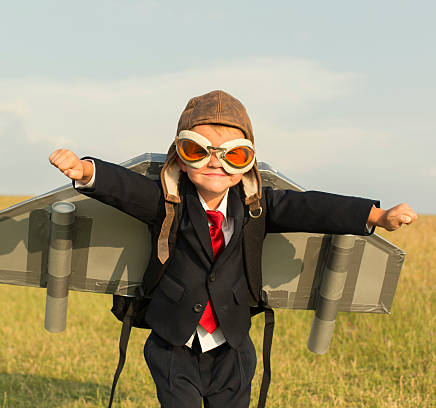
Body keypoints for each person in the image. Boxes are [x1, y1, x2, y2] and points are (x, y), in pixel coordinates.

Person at [48, 90, 417, 408]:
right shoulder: (168, 201)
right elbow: (126, 188)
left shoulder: (257, 206)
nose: (216, 163)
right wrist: (85, 170)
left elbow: (314, 208)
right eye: (198, 150)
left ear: (248, 162)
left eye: (234, 155)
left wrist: (377, 214)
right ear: (179, 156)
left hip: (232, 343)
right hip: (174, 340)